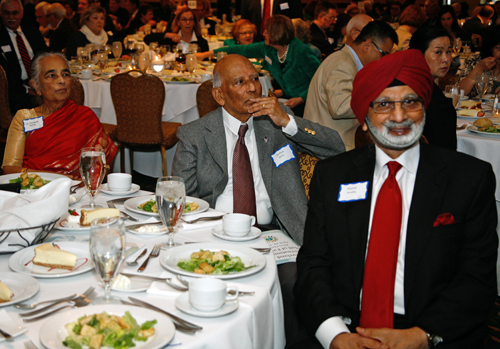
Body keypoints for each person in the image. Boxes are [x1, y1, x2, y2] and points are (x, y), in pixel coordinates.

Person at [295, 48, 498, 349]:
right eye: (384, 105)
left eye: (410, 102)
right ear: (363, 118)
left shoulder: (468, 179)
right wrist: (334, 334)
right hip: (346, 323)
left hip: (431, 330)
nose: (399, 116)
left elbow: (477, 277)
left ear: (424, 110)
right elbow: (313, 264)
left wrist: (422, 335)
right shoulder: (333, 176)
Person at [172, 54, 345, 245]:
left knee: (292, 275)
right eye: (240, 82)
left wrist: (287, 122)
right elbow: (182, 199)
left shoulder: (277, 122)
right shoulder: (194, 135)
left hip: (274, 231)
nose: (253, 88)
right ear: (219, 95)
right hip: (215, 232)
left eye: (255, 79)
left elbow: (336, 148)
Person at [2, 52, 117, 179]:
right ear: (36, 86)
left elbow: (101, 166)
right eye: (51, 75)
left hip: (78, 190)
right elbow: (10, 170)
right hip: (36, 190)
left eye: (65, 74)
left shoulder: (85, 117)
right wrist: (57, 178)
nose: (61, 80)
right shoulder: (24, 117)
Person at [198, 15, 321, 117]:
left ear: (276, 33)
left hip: (308, 104)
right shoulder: (269, 48)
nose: (263, 34)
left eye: (266, 31)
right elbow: (241, 50)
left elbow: (320, 81)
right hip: (288, 101)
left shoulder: (302, 52)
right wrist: (207, 54)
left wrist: (300, 98)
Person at [304, 20, 397, 151]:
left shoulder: (347, 61)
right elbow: (340, 107)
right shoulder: (342, 63)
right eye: (384, 54)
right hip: (329, 148)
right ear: (368, 45)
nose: (384, 60)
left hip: (332, 143)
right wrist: (379, 102)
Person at [409, 26, 456, 150]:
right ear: (419, 54)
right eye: (438, 52)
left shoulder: (415, 84)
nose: (446, 59)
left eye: (449, 51)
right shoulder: (430, 97)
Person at [0, 0, 47, 115]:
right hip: (15, 91)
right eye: (7, 13)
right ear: (1, 14)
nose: (11, 17)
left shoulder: (33, 33)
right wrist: (27, 90)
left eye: (15, 13)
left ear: (22, 13)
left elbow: (46, 58)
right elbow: (4, 74)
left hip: (40, 84)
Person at [458, 25, 500, 97]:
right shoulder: (475, 61)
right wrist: (479, 68)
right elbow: (459, 93)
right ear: (490, 48)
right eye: (498, 48)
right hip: (475, 107)